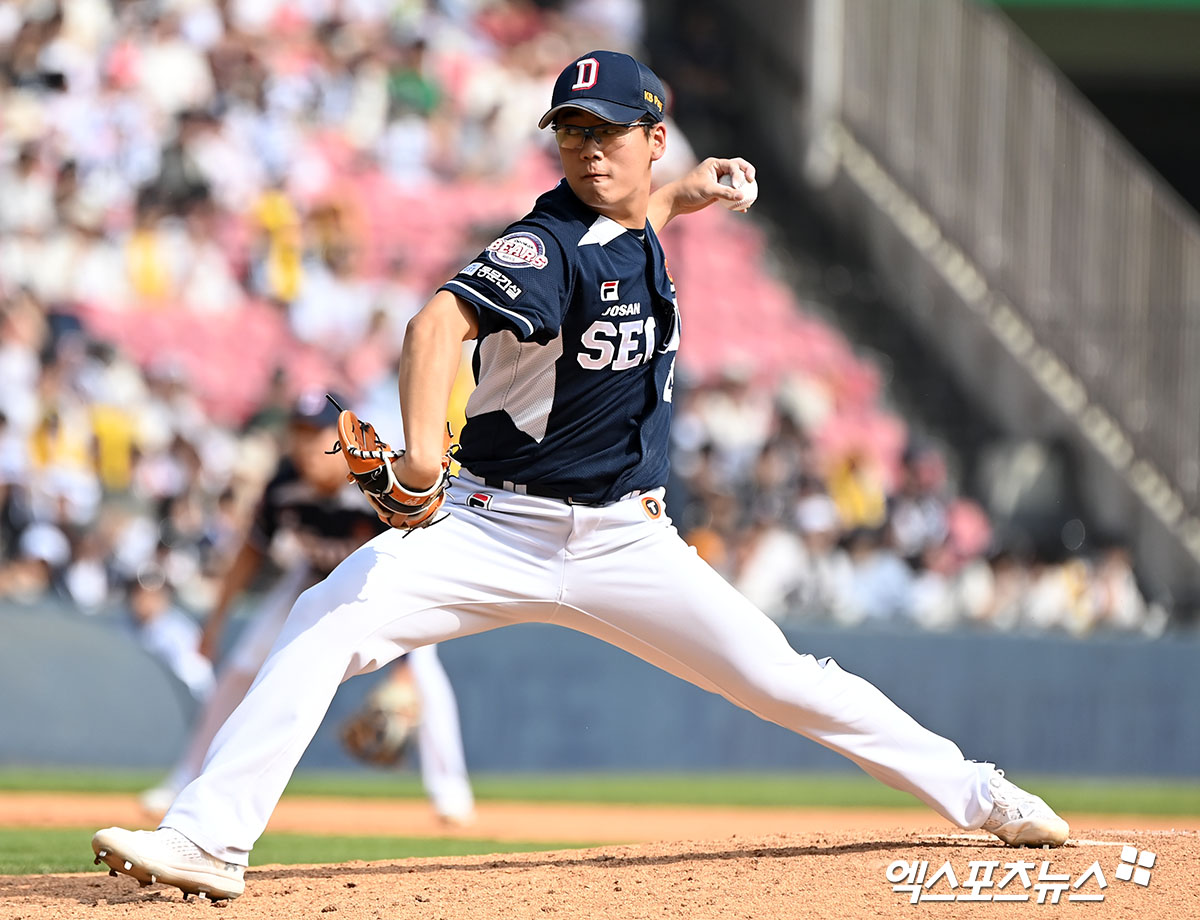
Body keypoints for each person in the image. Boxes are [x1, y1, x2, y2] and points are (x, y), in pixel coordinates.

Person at [92, 50, 1068, 902]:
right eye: (570, 131)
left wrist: (697, 188)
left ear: (653, 137)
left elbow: (643, 205)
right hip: (486, 527)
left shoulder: (640, 206)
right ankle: (208, 838)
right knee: (321, 622)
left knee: (783, 680)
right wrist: (424, 449)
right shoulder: (547, 243)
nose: (589, 149)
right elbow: (438, 323)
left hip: (625, 541)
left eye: (608, 131)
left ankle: (979, 791)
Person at [137, 393, 474, 825]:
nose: (304, 445)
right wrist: (215, 623)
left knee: (424, 673)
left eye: (316, 435)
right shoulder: (284, 484)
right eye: (298, 433)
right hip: (312, 575)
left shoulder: (378, 480)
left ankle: (450, 791)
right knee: (241, 668)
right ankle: (184, 777)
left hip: (384, 579)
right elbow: (249, 555)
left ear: (344, 439)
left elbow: (416, 563)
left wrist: (404, 664)